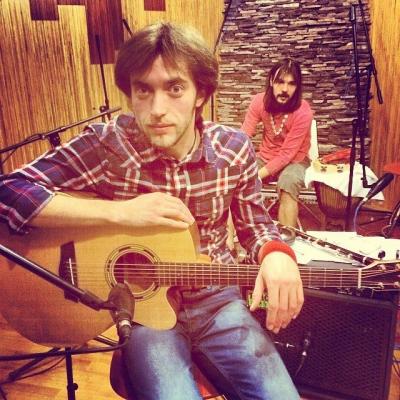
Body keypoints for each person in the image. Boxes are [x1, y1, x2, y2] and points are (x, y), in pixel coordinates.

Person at [0, 23, 303, 400]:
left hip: (217, 301)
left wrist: (276, 254)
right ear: (130, 95)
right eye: (143, 90)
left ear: (200, 93)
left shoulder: (233, 148)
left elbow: (255, 225)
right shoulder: (108, 147)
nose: (157, 110)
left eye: (174, 88)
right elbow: (7, 192)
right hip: (143, 311)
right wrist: (121, 214)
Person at [241, 58, 314, 227]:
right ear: (271, 81)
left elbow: (287, 155)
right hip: (266, 156)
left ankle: (287, 238)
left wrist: (255, 176)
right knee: (235, 177)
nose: (285, 89)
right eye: (280, 82)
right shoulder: (259, 101)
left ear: (297, 87)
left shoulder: (303, 111)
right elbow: (243, 135)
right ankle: (238, 235)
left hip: (296, 160)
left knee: (287, 183)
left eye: (291, 84)